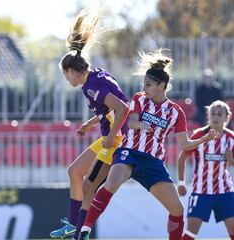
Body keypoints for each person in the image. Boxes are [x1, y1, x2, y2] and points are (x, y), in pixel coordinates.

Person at [77, 49, 218, 240]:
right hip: (130, 152)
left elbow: (185, 145)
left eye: (149, 84)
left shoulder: (176, 112)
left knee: (177, 209)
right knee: (111, 183)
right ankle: (85, 230)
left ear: (162, 85)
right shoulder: (140, 99)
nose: (144, 88)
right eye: (144, 84)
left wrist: (204, 139)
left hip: (153, 161)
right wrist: (142, 124)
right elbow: (129, 122)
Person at [50, 8, 129, 240]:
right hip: (109, 137)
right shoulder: (95, 76)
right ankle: (75, 225)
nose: (67, 80)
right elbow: (111, 107)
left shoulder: (91, 87)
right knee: (74, 172)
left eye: (66, 75)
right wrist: (90, 123)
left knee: (88, 187)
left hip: (114, 141)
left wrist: (112, 136)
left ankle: (79, 231)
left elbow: (123, 108)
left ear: (73, 71)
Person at [177, 100, 234, 240]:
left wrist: (230, 158)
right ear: (208, 116)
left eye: (219, 114)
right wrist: (181, 182)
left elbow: (232, 163)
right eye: (213, 113)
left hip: (225, 190)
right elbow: (182, 157)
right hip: (201, 190)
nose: (216, 117)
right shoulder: (199, 135)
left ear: (227, 118)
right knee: (191, 232)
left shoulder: (231, 138)